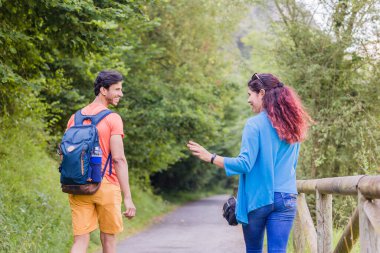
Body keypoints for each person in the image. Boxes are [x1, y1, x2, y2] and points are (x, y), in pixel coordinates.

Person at [187, 73, 312, 253]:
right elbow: (293, 165)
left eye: (249, 95)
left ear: (261, 93)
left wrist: (211, 157)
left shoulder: (254, 125)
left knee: (253, 250)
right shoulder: (293, 125)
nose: (248, 100)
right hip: (286, 196)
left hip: (259, 198)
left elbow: (245, 164)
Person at [66, 70, 136, 253]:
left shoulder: (75, 118)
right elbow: (119, 159)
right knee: (108, 240)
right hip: (106, 185)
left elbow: (66, 153)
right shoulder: (113, 118)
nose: (121, 94)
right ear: (103, 90)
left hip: (78, 185)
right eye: (117, 89)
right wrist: (128, 197)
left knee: (80, 242)